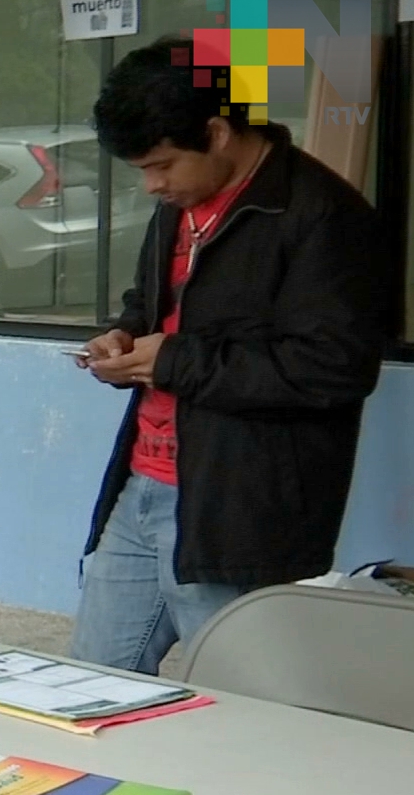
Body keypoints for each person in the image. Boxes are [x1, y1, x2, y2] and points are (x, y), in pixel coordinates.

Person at [69, 35, 394, 674]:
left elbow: (335, 368)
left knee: (242, 707)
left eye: (160, 164)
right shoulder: (181, 204)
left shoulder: (324, 216)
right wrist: (126, 339)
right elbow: (153, 303)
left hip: (239, 507)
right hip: (142, 483)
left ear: (217, 133)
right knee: (89, 689)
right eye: (140, 169)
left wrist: (173, 362)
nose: (150, 184)